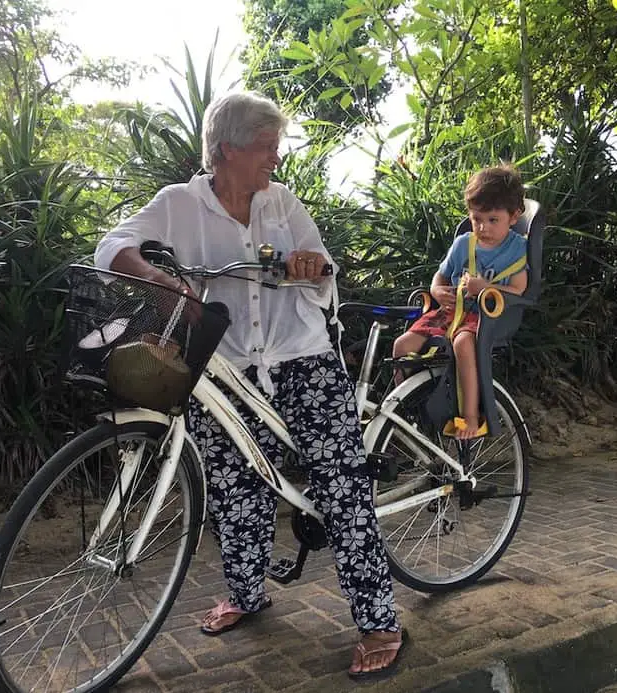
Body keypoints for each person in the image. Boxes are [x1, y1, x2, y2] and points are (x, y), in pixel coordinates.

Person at [94, 91, 406, 680]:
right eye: (266, 147)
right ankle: (247, 592)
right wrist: (159, 278)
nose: (275, 158)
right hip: (227, 364)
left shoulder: (282, 203)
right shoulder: (177, 205)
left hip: (302, 357)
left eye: (275, 147)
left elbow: (323, 267)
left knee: (341, 487)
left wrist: (311, 266)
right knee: (235, 489)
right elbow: (111, 246)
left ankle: (379, 621)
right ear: (228, 149)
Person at [392, 164, 529, 439]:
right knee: (401, 345)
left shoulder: (515, 248)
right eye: (477, 219)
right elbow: (440, 277)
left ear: (513, 217)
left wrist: (485, 288)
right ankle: (408, 409)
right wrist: (437, 290)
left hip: (485, 317)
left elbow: (519, 290)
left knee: (462, 344)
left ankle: (470, 417)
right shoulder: (463, 244)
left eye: (493, 220)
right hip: (450, 311)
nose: (483, 227)